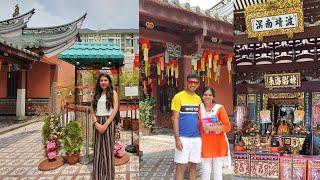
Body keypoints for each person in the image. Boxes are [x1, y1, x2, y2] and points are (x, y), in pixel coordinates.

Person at [171, 73, 202, 180]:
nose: (192, 84)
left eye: (195, 82)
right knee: (181, 168)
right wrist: (177, 138)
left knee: (193, 167)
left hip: (197, 138)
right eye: (190, 82)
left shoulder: (199, 99)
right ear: (187, 83)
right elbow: (174, 118)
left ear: (198, 84)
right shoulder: (178, 97)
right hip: (183, 138)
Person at [199, 86, 231, 180]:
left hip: (218, 143)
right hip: (205, 143)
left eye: (210, 95)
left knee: (217, 172)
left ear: (213, 97)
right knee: (205, 171)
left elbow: (227, 127)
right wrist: (203, 128)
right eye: (205, 95)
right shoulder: (199, 108)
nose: (207, 97)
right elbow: (198, 125)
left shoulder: (219, 108)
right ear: (202, 96)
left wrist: (215, 128)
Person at [91, 73, 119, 180]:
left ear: (109, 82)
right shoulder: (95, 94)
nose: (103, 82)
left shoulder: (113, 93)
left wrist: (106, 124)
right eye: (101, 80)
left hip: (109, 122)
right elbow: (92, 110)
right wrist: (96, 123)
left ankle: (108, 175)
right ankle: (97, 175)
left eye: (105, 80)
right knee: (98, 149)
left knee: (108, 149)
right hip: (97, 122)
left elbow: (115, 109)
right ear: (99, 82)